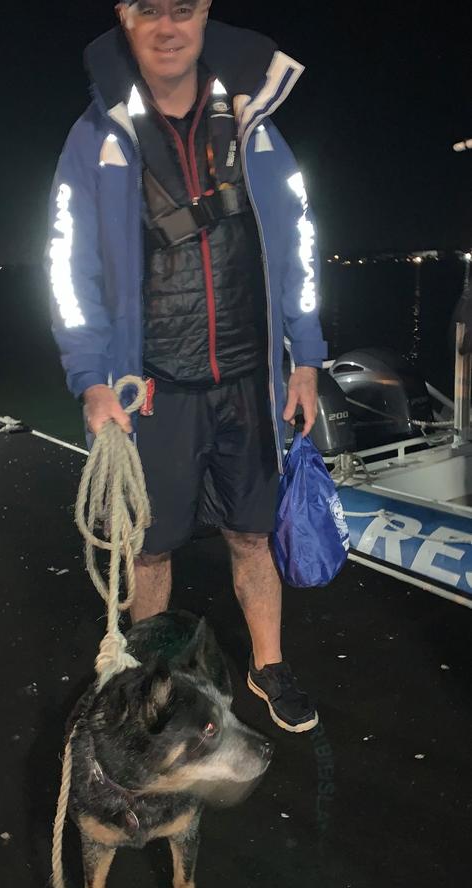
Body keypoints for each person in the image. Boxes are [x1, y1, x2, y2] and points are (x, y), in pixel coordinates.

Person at [46, 0, 328, 733]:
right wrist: (91, 377)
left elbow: (298, 243)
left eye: (183, 7)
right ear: (124, 18)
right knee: (150, 547)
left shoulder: (256, 126)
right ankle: (151, 680)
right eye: (148, 9)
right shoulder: (95, 138)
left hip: (247, 379)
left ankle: (268, 667)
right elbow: (66, 263)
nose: (167, 27)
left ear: (205, 14)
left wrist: (305, 358)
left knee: (252, 535)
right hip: (152, 391)